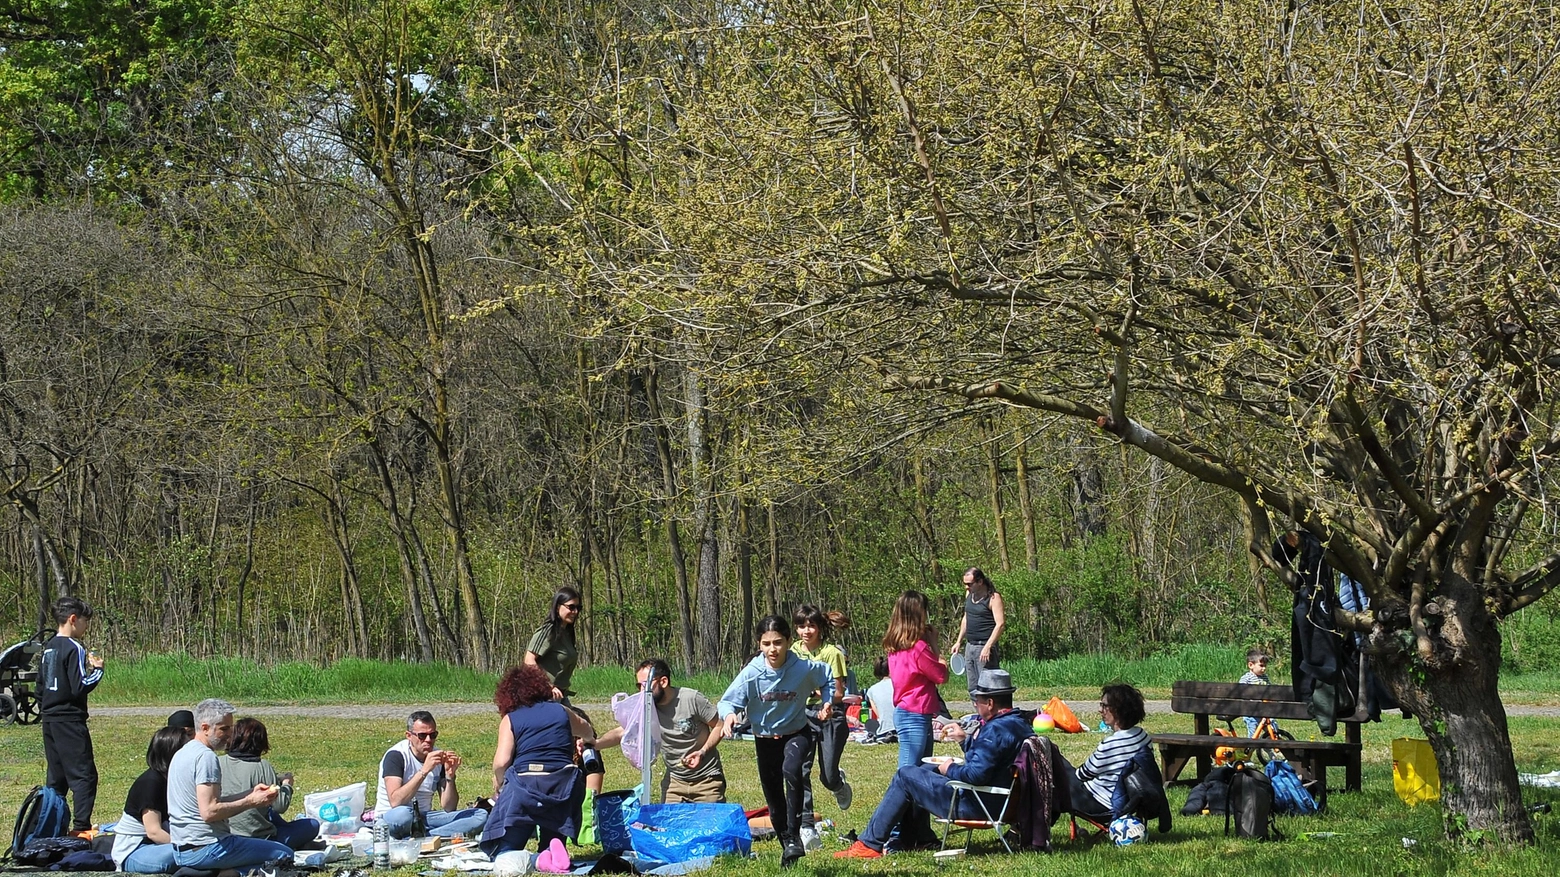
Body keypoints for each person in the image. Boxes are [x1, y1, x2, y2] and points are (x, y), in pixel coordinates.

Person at [834, 669, 1033, 859]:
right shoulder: (1019, 724)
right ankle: (920, 838)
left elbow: (976, 776)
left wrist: (950, 768)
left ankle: (869, 844)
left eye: (977, 701)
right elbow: (992, 762)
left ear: (990, 703)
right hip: (1001, 801)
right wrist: (965, 740)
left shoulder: (995, 731)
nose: (975, 705)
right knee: (923, 770)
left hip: (977, 805)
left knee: (905, 776)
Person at [718, 615, 834, 869]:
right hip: (765, 739)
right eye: (766, 643)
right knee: (774, 800)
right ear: (760, 644)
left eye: (778, 643)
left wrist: (827, 701)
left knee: (792, 771)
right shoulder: (751, 674)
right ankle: (788, 845)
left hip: (797, 733)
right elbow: (728, 701)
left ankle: (795, 836)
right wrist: (728, 717)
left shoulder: (802, 668)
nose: (773, 649)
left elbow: (827, 677)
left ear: (788, 642)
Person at [480, 664, 597, 873]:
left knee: (504, 854)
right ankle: (552, 848)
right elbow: (586, 728)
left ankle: (537, 859)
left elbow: (501, 761)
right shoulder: (561, 711)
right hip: (563, 784)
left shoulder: (511, 719)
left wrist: (499, 783)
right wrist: (587, 740)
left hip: (525, 786)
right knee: (554, 828)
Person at [167, 698, 294, 871]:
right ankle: (225, 874)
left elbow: (205, 804)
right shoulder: (206, 758)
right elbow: (210, 812)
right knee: (284, 855)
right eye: (224, 729)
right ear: (205, 728)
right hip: (208, 847)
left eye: (231, 728)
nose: (230, 735)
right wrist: (251, 802)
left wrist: (250, 793)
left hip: (182, 848)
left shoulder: (182, 753)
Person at [595, 658, 727, 803]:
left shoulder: (691, 699)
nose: (641, 691)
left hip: (707, 780)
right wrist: (595, 744)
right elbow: (623, 731)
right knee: (667, 825)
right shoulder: (647, 706)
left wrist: (703, 752)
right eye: (638, 685)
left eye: (645, 685)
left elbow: (719, 725)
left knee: (710, 825)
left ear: (663, 682)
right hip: (674, 783)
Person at [883, 589, 949, 846]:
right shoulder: (919, 647)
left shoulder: (895, 646)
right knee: (908, 777)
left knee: (920, 776)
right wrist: (935, 644)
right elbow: (941, 675)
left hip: (907, 712)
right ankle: (896, 836)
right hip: (916, 715)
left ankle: (920, 834)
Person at [525, 587, 604, 794]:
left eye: (578, 608)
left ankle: (586, 789)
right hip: (543, 697)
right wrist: (547, 686)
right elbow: (529, 659)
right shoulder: (548, 630)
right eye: (570, 607)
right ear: (558, 606)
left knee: (584, 734)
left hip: (561, 697)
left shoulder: (567, 632)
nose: (575, 611)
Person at [39, 596, 105, 836]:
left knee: (56, 778)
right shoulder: (74, 647)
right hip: (70, 719)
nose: (86, 627)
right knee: (84, 775)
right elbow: (80, 685)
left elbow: (40, 686)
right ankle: (80, 828)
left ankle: (49, 827)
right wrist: (98, 670)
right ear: (73, 619)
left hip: (50, 718)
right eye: (86, 621)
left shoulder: (48, 647)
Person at [791, 604, 852, 852]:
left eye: (811, 625)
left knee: (826, 774)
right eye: (801, 626)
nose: (806, 631)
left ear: (820, 628)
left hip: (830, 715)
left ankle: (837, 783)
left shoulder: (831, 653)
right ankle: (806, 826)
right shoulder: (792, 652)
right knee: (800, 769)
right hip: (800, 715)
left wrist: (818, 693)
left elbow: (839, 693)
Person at [373, 711, 488, 839]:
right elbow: (396, 801)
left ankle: (425, 836)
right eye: (422, 736)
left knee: (480, 815)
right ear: (409, 736)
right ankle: (435, 833)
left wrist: (450, 777)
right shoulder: (396, 756)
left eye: (433, 735)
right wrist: (424, 770)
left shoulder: (437, 756)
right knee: (402, 815)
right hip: (394, 816)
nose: (428, 740)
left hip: (425, 817)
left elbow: (449, 807)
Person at [1054, 684, 1151, 822]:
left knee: (1053, 758)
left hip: (1100, 806)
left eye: (1104, 706)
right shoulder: (1143, 736)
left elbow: (1082, 775)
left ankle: (1031, 830)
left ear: (1117, 710)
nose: (1100, 710)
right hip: (1131, 803)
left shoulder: (1110, 745)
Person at [220, 718, 319, 849]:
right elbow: (280, 806)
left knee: (272, 815)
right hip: (258, 840)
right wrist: (287, 785)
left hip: (226, 834)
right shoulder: (263, 766)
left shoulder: (218, 762)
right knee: (312, 825)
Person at [110, 727, 186, 873]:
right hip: (135, 850)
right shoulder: (151, 783)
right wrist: (189, 847)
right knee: (196, 855)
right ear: (172, 754)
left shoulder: (172, 779)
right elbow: (154, 832)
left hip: (158, 846)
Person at [949, 568, 1005, 706]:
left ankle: (992, 718)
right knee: (972, 685)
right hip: (970, 645)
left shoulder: (993, 598)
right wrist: (958, 641)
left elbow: (1000, 624)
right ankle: (979, 717)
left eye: (969, 584)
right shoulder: (969, 594)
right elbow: (966, 618)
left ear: (980, 581)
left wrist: (988, 647)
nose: (966, 587)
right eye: (965, 584)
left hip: (985, 646)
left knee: (987, 686)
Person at [1238, 650, 1277, 736]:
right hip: (1251, 712)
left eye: (1265, 666)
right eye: (1261, 665)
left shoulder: (1265, 678)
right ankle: (1251, 746)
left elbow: (1270, 690)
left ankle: (1272, 743)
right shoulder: (1247, 678)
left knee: (1273, 726)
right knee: (1253, 732)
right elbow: (1240, 691)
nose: (1264, 668)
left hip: (1264, 710)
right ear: (1251, 665)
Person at [864, 656, 895, 739]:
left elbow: (879, 715)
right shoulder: (900, 685)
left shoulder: (871, 690)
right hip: (903, 728)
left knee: (869, 723)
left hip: (884, 731)